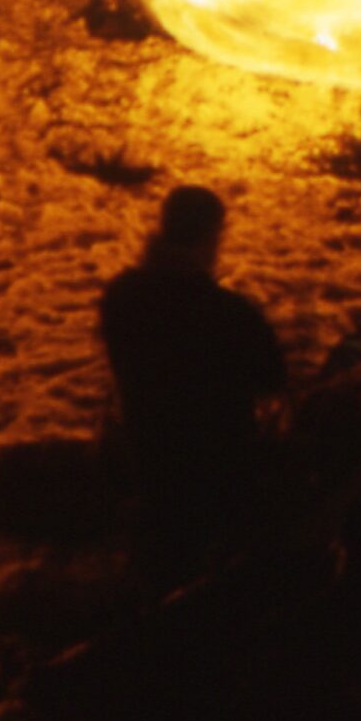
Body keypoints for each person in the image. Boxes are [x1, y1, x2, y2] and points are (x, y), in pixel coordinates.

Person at [98, 185, 288, 575]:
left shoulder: (121, 296)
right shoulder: (228, 312)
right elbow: (273, 376)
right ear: (211, 236)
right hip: (220, 470)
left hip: (148, 461)